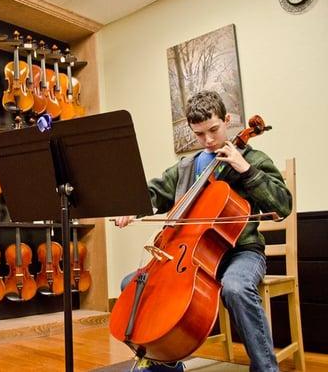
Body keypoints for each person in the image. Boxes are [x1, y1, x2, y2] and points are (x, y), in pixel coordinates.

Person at [114, 90, 291, 372]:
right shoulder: (187, 166)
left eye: (214, 130)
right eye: (199, 134)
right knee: (132, 286)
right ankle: (165, 364)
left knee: (236, 287)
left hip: (241, 253)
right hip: (192, 257)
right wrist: (132, 207)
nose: (208, 141)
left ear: (227, 120)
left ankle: (266, 368)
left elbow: (283, 204)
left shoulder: (253, 159)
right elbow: (154, 193)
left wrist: (245, 169)